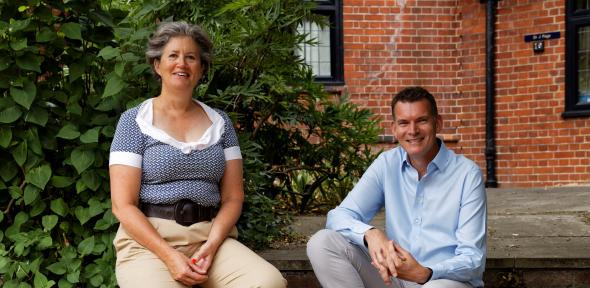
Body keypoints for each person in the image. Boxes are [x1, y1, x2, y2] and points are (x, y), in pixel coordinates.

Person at [109, 21, 287, 288]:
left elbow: (233, 197)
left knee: (267, 282)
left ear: (201, 69)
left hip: (209, 238)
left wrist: (213, 245)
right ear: (157, 65)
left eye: (191, 57)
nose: (182, 63)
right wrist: (169, 256)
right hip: (149, 243)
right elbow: (122, 205)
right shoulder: (133, 122)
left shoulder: (221, 123)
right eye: (173, 56)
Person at [307, 86, 486, 288]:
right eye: (403, 123)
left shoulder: (467, 175)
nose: (412, 131)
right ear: (394, 129)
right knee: (322, 243)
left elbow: (473, 260)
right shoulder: (387, 164)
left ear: (438, 123)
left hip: (443, 280)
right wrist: (370, 234)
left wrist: (425, 273)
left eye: (422, 120)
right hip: (394, 278)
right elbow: (338, 216)